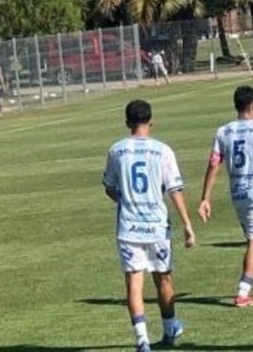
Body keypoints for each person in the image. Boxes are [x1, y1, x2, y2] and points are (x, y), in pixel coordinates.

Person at [102, 99, 195, 351]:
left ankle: (142, 339)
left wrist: (126, 200)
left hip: (129, 227)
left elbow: (110, 188)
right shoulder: (163, 150)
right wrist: (187, 224)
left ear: (127, 123)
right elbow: (175, 190)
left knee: (134, 281)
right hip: (157, 226)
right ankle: (169, 328)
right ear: (151, 121)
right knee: (163, 279)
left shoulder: (116, 150)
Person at [198, 85, 253, 307]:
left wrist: (205, 198)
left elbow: (213, 165)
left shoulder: (223, 131)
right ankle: (243, 291)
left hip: (236, 192)